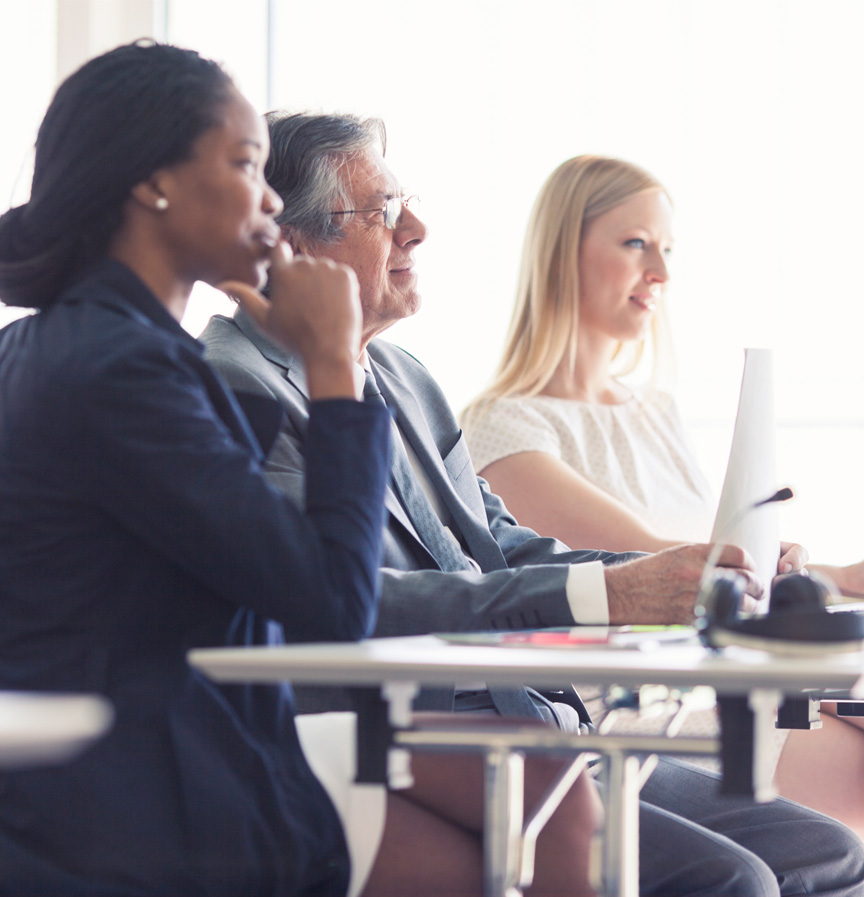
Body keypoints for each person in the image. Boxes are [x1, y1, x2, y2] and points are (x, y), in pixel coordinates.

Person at [200, 111, 864, 897]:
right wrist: (615, 592)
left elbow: (501, 545)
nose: (416, 228)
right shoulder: (232, 385)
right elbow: (338, 596)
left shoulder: (405, 376)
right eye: (382, 212)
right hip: (416, 744)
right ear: (292, 245)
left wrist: (674, 572)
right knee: (732, 881)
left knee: (829, 853)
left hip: (542, 721)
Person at [0, 43, 599, 897]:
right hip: (134, 800)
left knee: (536, 816)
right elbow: (330, 598)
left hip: (163, 761)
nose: (271, 202)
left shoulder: (69, 346)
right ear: (152, 184)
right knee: (529, 833)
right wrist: (331, 371)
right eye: (246, 164)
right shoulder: (120, 370)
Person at [460, 154, 864, 897]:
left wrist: (841, 576)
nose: (659, 270)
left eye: (666, 249)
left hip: (729, 694)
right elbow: (657, 566)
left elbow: (731, 561)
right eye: (635, 243)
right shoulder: (504, 427)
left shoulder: (652, 412)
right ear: (563, 253)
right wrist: (826, 575)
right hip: (640, 711)